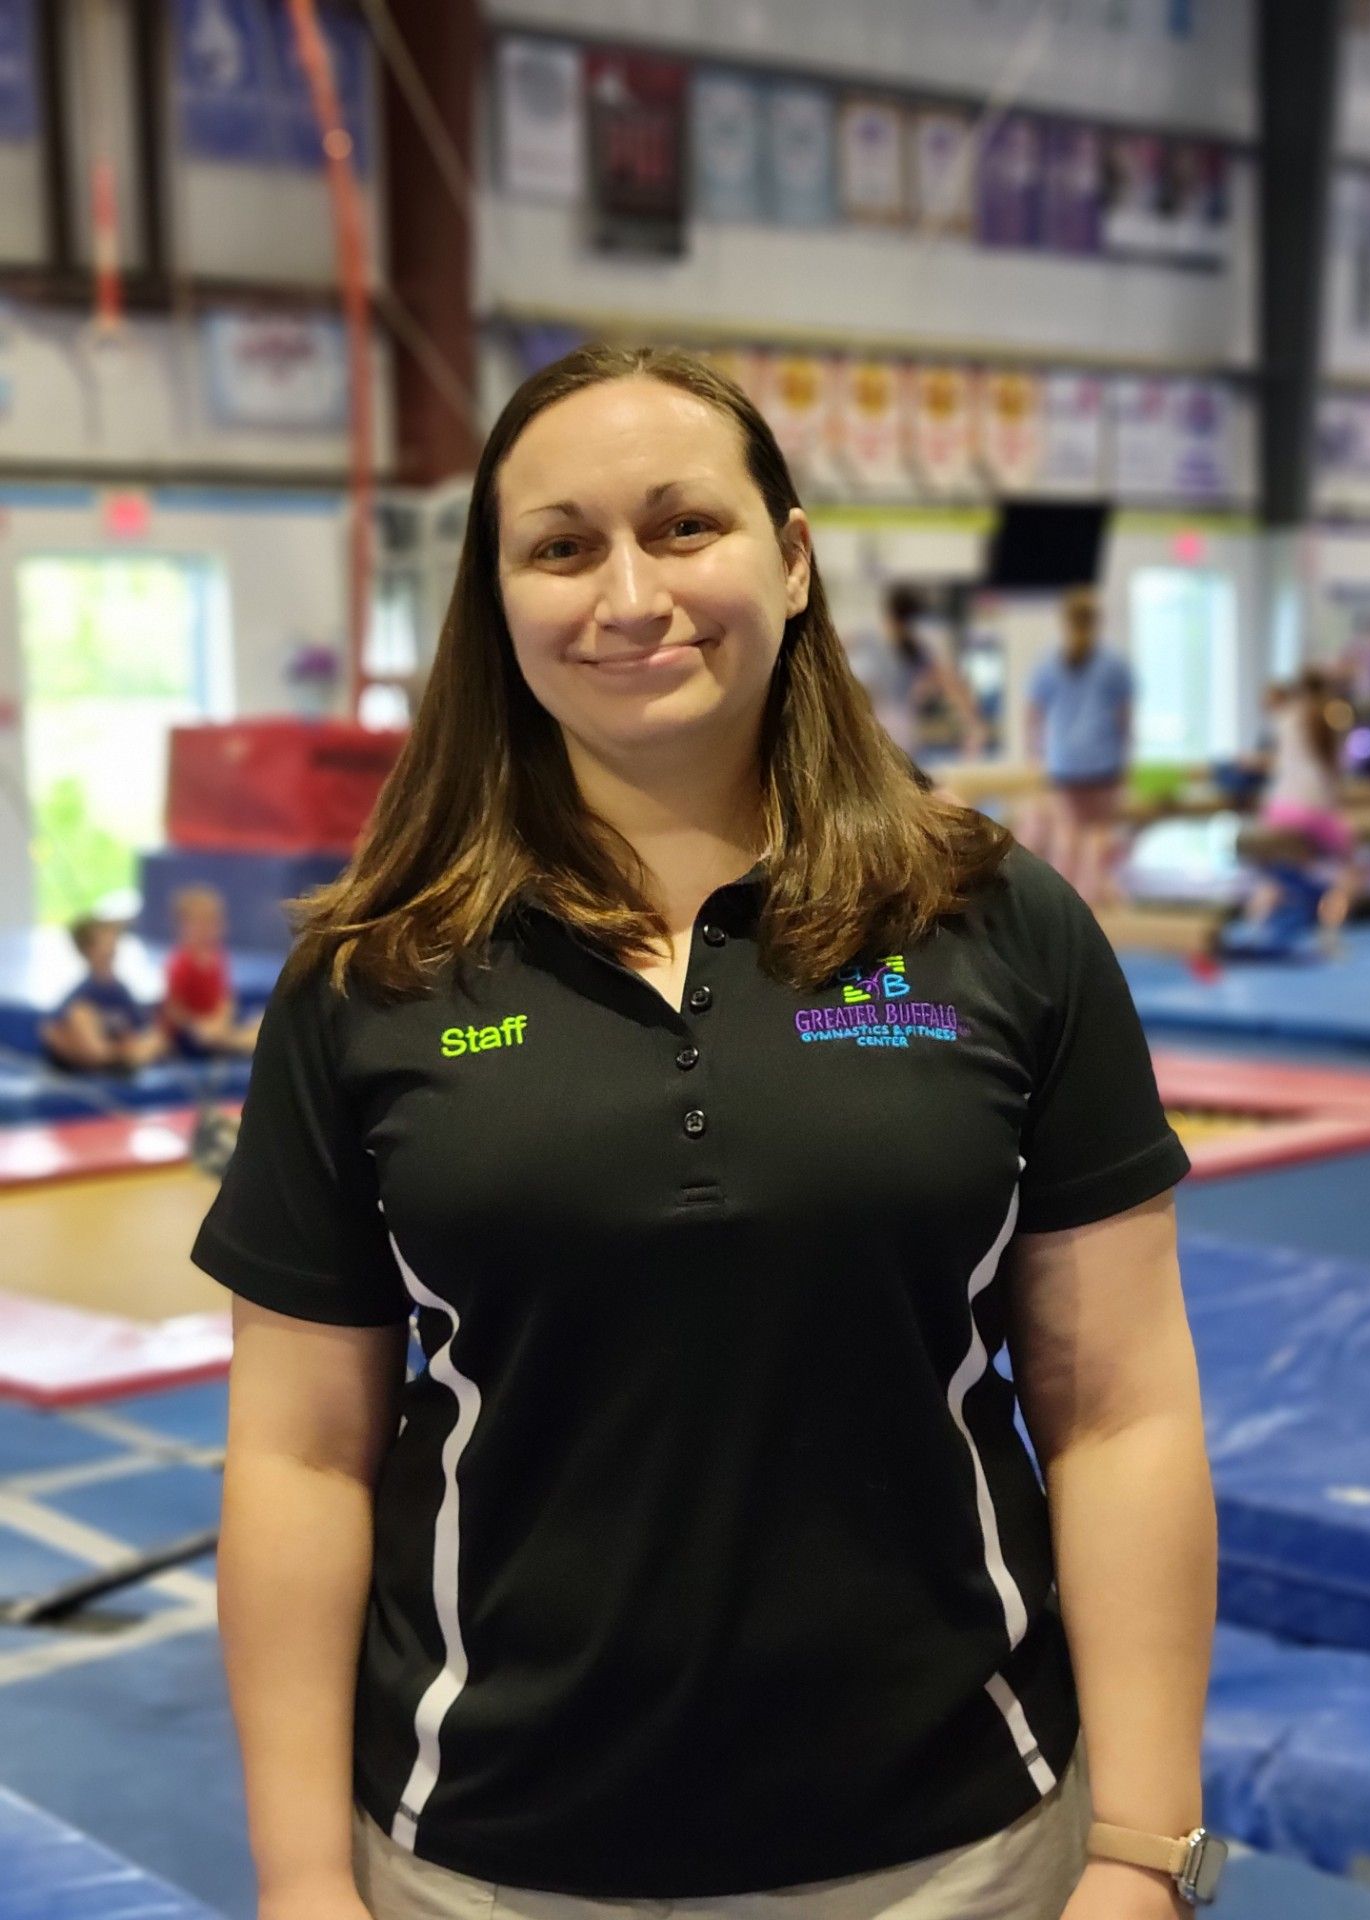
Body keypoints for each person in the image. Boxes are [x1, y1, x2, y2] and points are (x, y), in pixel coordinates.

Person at [193, 344, 1219, 1920]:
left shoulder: (997, 924)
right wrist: (299, 1878)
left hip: (956, 1853)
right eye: (562, 547)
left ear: (791, 560)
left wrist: (1143, 1852)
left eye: (685, 527)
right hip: (480, 1860)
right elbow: (299, 1458)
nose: (630, 596)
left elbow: (1122, 1414)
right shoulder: (373, 976)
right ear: (496, 599)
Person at [1023, 587, 1135, 907]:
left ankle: (1064, 906)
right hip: (1102, 762)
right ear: (1096, 623)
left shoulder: (1049, 664)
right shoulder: (1113, 664)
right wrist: (1125, 757)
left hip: (1065, 763)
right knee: (1097, 836)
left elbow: (1033, 716)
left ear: (1065, 623)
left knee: (1067, 837)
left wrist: (1035, 754)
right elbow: (1124, 720)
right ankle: (1091, 902)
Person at [1241, 670, 1363, 950]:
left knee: (1275, 874)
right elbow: (1337, 772)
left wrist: (1248, 763)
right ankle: (1330, 928)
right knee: (1349, 872)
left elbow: (1277, 761)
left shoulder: (1287, 716)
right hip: (1314, 811)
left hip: (1279, 809)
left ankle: (1255, 924)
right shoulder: (1333, 716)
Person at [864, 584, 989, 762]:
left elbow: (949, 681)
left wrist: (974, 724)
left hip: (899, 734)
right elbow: (949, 681)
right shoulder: (872, 643)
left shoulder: (914, 651)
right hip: (883, 732)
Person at [37, 915, 171, 1073]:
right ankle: (114, 1062)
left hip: (119, 1052)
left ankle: (119, 1062)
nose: (110, 945)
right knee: (80, 1015)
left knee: (157, 1039)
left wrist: (132, 1045)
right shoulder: (83, 992)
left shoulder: (120, 991)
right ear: (88, 950)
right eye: (104, 940)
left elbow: (144, 1029)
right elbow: (51, 1030)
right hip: (91, 1057)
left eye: (113, 939)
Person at [162, 885, 262, 1058]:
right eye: (200, 922)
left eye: (212, 922)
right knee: (207, 1035)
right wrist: (197, 1025)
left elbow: (225, 997)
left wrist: (221, 1020)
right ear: (183, 926)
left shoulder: (218, 957)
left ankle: (235, 1040)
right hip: (193, 1031)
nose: (207, 929)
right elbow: (174, 1010)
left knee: (261, 1021)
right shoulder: (180, 963)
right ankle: (236, 1042)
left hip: (216, 1025)